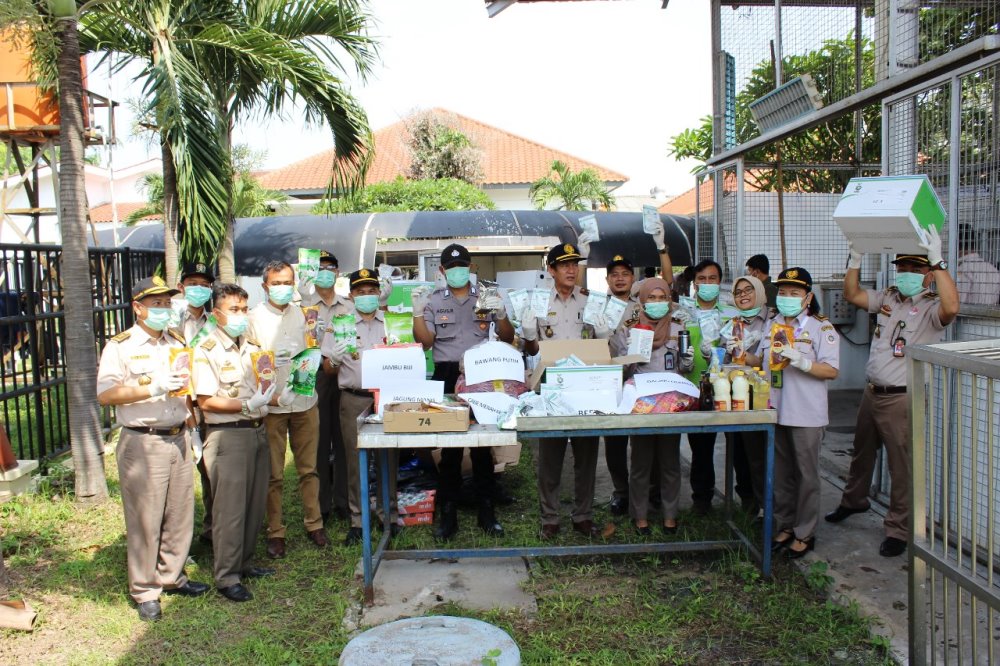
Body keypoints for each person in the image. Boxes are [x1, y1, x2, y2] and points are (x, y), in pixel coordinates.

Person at [826, 231, 959, 557]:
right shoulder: (888, 298)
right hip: (873, 393)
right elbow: (853, 294)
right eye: (902, 268)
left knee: (901, 466)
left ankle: (899, 529)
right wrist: (855, 260)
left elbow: (952, 307)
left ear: (926, 274)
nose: (907, 275)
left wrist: (939, 262)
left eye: (915, 269)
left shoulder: (930, 308)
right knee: (862, 452)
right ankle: (854, 500)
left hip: (903, 396)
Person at [97, 276, 209, 621]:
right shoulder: (122, 345)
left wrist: (192, 428)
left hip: (177, 435)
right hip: (142, 439)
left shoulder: (175, 340)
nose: (163, 309)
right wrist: (152, 387)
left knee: (180, 512)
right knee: (146, 518)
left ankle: (172, 576)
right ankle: (145, 588)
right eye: (156, 304)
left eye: (166, 303)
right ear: (138, 307)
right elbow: (106, 394)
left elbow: (185, 389)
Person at [412, 243, 516, 540]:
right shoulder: (433, 301)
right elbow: (426, 343)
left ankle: (487, 509)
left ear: (470, 268)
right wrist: (417, 314)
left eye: (463, 265)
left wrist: (502, 313)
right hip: (446, 375)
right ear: (442, 271)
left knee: (483, 445)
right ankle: (449, 511)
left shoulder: (486, 296)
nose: (458, 271)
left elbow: (507, 337)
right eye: (451, 267)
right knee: (451, 447)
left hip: (481, 374)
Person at [521, 242, 612, 538]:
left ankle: (583, 515)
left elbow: (603, 346)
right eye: (564, 265)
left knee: (586, 455)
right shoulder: (538, 302)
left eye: (575, 264)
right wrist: (529, 335)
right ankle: (550, 518)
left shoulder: (590, 301)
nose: (571, 270)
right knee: (550, 457)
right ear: (551, 270)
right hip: (551, 386)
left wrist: (603, 332)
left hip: (585, 385)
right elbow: (532, 348)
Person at [193, 282, 275, 602]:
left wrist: (282, 394)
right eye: (233, 310)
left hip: (256, 430)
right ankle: (226, 576)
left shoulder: (253, 345)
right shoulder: (206, 349)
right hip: (228, 435)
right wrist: (246, 405)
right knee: (230, 510)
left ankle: (245, 562)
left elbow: (266, 386)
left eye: (244, 309)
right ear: (216, 314)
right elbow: (205, 400)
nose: (241, 315)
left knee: (255, 504)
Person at [249, 260, 327, 559]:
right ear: (265, 286)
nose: (282, 288)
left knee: (309, 468)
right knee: (274, 473)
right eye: (276, 283)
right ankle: (275, 531)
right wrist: (272, 392)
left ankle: (314, 523)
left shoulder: (305, 314)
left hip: (305, 401)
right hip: (272, 405)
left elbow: (313, 351)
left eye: (287, 282)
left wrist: (316, 338)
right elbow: (250, 361)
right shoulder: (254, 318)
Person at [763, 268, 840, 559]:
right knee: (781, 475)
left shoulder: (821, 328)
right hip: (776, 410)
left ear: (807, 297)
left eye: (794, 293)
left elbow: (831, 370)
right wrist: (741, 351)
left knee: (806, 476)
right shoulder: (773, 324)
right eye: (782, 292)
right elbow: (761, 359)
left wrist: (802, 362)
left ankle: (805, 532)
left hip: (806, 414)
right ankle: (785, 525)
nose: (786, 297)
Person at [610, 278, 694, 536]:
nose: (657, 303)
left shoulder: (679, 326)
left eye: (662, 298)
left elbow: (686, 368)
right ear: (642, 300)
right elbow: (620, 367)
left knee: (669, 462)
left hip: (671, 404)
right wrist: (632, 357)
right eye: (652, 298)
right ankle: (640, 515)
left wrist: (690, 359)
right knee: (641, 462)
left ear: (669, 300)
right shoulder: (630, 328)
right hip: (642, 406)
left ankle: (670, 516)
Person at [323, 269, 400, 546]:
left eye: (371, 290)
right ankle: (358, 519)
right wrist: (333, 358)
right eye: (361, 291)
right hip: (353, 398)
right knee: (355, 460)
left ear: (378, 292)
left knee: (388, 458)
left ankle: (388, 515)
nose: (366, 295)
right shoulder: (340, 323)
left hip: (386, 398)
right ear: (351, 294)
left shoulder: (390, 322)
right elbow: (328, 369)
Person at [298, 251, 352, 525]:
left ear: (338, 273)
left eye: (330, 267)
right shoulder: (304, 304)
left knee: (343, 440)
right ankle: (322, 504)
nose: (325, 272)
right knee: (318, 440)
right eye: (319, 268)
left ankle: (343, 500)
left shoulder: (348, 305)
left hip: (344, 373)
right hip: (316, 374)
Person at [674, 259, 731, 515]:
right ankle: (702, 499)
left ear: (720, 282)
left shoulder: (729, 313)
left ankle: (747, 501)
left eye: (713, 279)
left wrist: (717, 354)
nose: (707, 284)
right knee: (700, 448)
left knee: (736, 445)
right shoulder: (684, 311)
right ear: (694, 283)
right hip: (690, 387)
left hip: (725, 389)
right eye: (702, 279)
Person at [175, 262, 216, 546]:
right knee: (178, 479)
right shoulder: (169, 320)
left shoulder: (215, 322)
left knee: (210, 471)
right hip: (174, 403)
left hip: (204, 403)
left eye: (204, 285)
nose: (199, 290)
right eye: (193, 284)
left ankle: (213, 530)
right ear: (181, 287)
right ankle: (180, 542)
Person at [724, 275, 770, 515]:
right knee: (738, 454)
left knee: (758, 456)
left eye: (748, 290)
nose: (743, 295)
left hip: (761, 398)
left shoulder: (773, 320)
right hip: (734, 397)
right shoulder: (733, 323)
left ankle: (766, 507)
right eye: (738, 292)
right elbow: (726, 358)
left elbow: (770, 360)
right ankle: (748, 503)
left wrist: (748, 357)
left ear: (760, 292)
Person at [955, 224, 1000, 306]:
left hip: (968, 318)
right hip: (989, 317)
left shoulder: (963, 269)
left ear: (956, 245)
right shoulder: (993, 269)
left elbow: (956, 301)